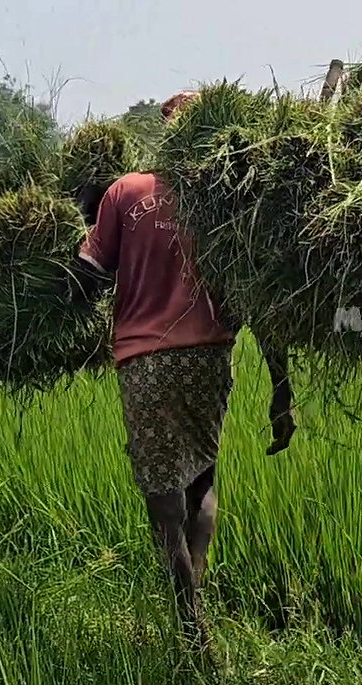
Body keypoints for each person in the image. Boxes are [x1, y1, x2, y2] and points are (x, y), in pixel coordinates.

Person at [77, 91, 296, 642]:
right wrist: (281, 387)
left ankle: (189, 620)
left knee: (159, 489)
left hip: (145, 360)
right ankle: (195, 589)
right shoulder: (235, 205)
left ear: (168, 133)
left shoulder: (127, 191)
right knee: (201, 477)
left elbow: (87, 274)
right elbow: (265, 301)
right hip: (211, 357)